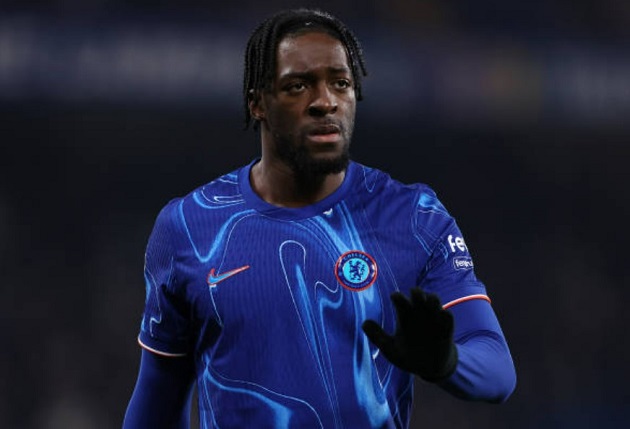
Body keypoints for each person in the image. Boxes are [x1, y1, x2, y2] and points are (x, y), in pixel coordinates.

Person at [123, 8, 516, 429]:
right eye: (298, 86)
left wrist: (446, 362)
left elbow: (497, 371)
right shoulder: (188, 226)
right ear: (257, 103)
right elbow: (158, 399)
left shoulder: (414, 217)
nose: (325, 102)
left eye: (340, 83)